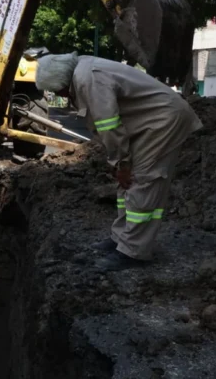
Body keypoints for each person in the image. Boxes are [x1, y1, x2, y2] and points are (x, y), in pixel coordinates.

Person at [35, 52, 203, 271]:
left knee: (143, 179)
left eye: (58, 90)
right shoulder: (82, 71)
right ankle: (121, 238)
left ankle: (133, 251)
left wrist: (121, 163)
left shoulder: (89, 80)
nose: (61, 95)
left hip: (163, 121)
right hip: (147, 123)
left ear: (62, 82)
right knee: (126, 182)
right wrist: (118, 163)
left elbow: (109, 125)